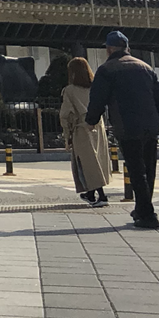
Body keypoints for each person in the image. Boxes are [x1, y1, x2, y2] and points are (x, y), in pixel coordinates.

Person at [86, 31, 159, 229]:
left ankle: (147, 215)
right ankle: (141, 209)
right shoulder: (145, 67)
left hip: (127, 125)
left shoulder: (106, 70)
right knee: (149, 169)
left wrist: (91, 120)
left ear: (109, 49)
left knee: (136, 170)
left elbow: (98, 99)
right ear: (127, 48)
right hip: (150, 126)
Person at [60, 56, 111, 207]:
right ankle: (90, 194)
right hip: (98, 126)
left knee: (86, 162)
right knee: (97, 160)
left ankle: (101, 196)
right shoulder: (95, 87)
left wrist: (67, 135)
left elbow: (66, 114)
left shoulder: (69, 90)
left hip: (81, 128)